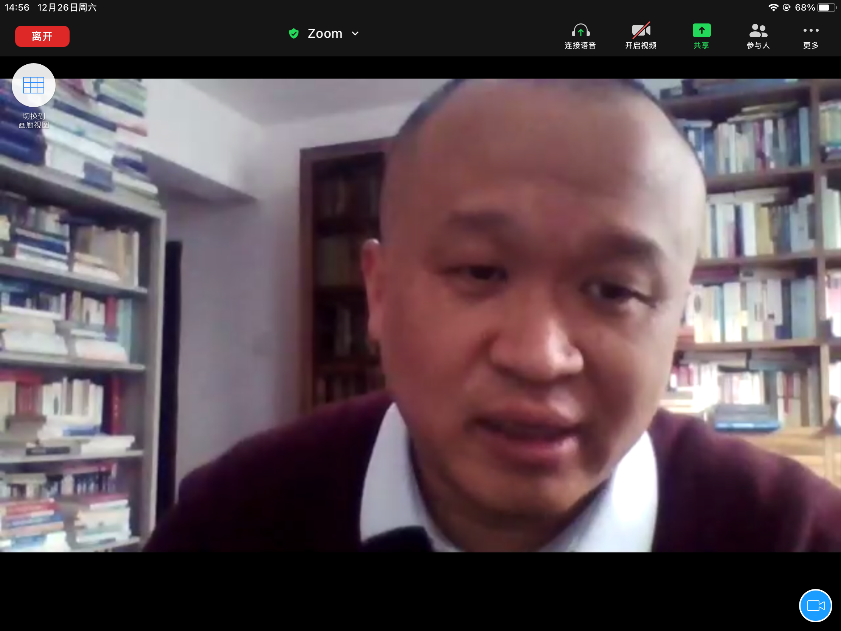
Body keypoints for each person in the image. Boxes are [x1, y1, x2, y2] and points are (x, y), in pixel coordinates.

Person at [144, 79, 841, 552]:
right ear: (379, 294)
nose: (538, 356)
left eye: (613, 289)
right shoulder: (232, 517)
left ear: (676, 324)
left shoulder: (797, 534)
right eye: (480, 272)